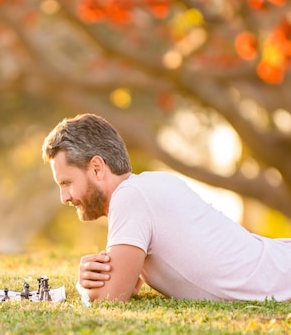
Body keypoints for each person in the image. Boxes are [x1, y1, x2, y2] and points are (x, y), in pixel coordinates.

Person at [42, 113, 291, 303]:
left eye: (67, 183)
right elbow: (128, 283)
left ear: (97, 168)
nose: (64, 197)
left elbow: (111, 297)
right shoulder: (150, 186)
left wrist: (85, 284)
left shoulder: (131, 197)